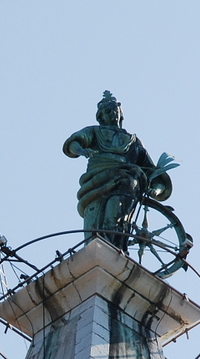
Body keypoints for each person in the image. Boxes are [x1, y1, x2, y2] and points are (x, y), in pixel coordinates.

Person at [63, 91, 172, 250]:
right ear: (101, 117)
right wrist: (81, 151)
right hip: (97, 179)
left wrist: (155, 190)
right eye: (107, 111)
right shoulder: (94, 131)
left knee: (117, 214)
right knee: (94, 219)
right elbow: (74, 143)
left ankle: (114, 247)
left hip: (127, 181)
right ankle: (98, 250)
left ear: (121, 113)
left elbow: (153, 174)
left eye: (115, 110)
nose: (112, 114)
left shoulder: (133, 142)